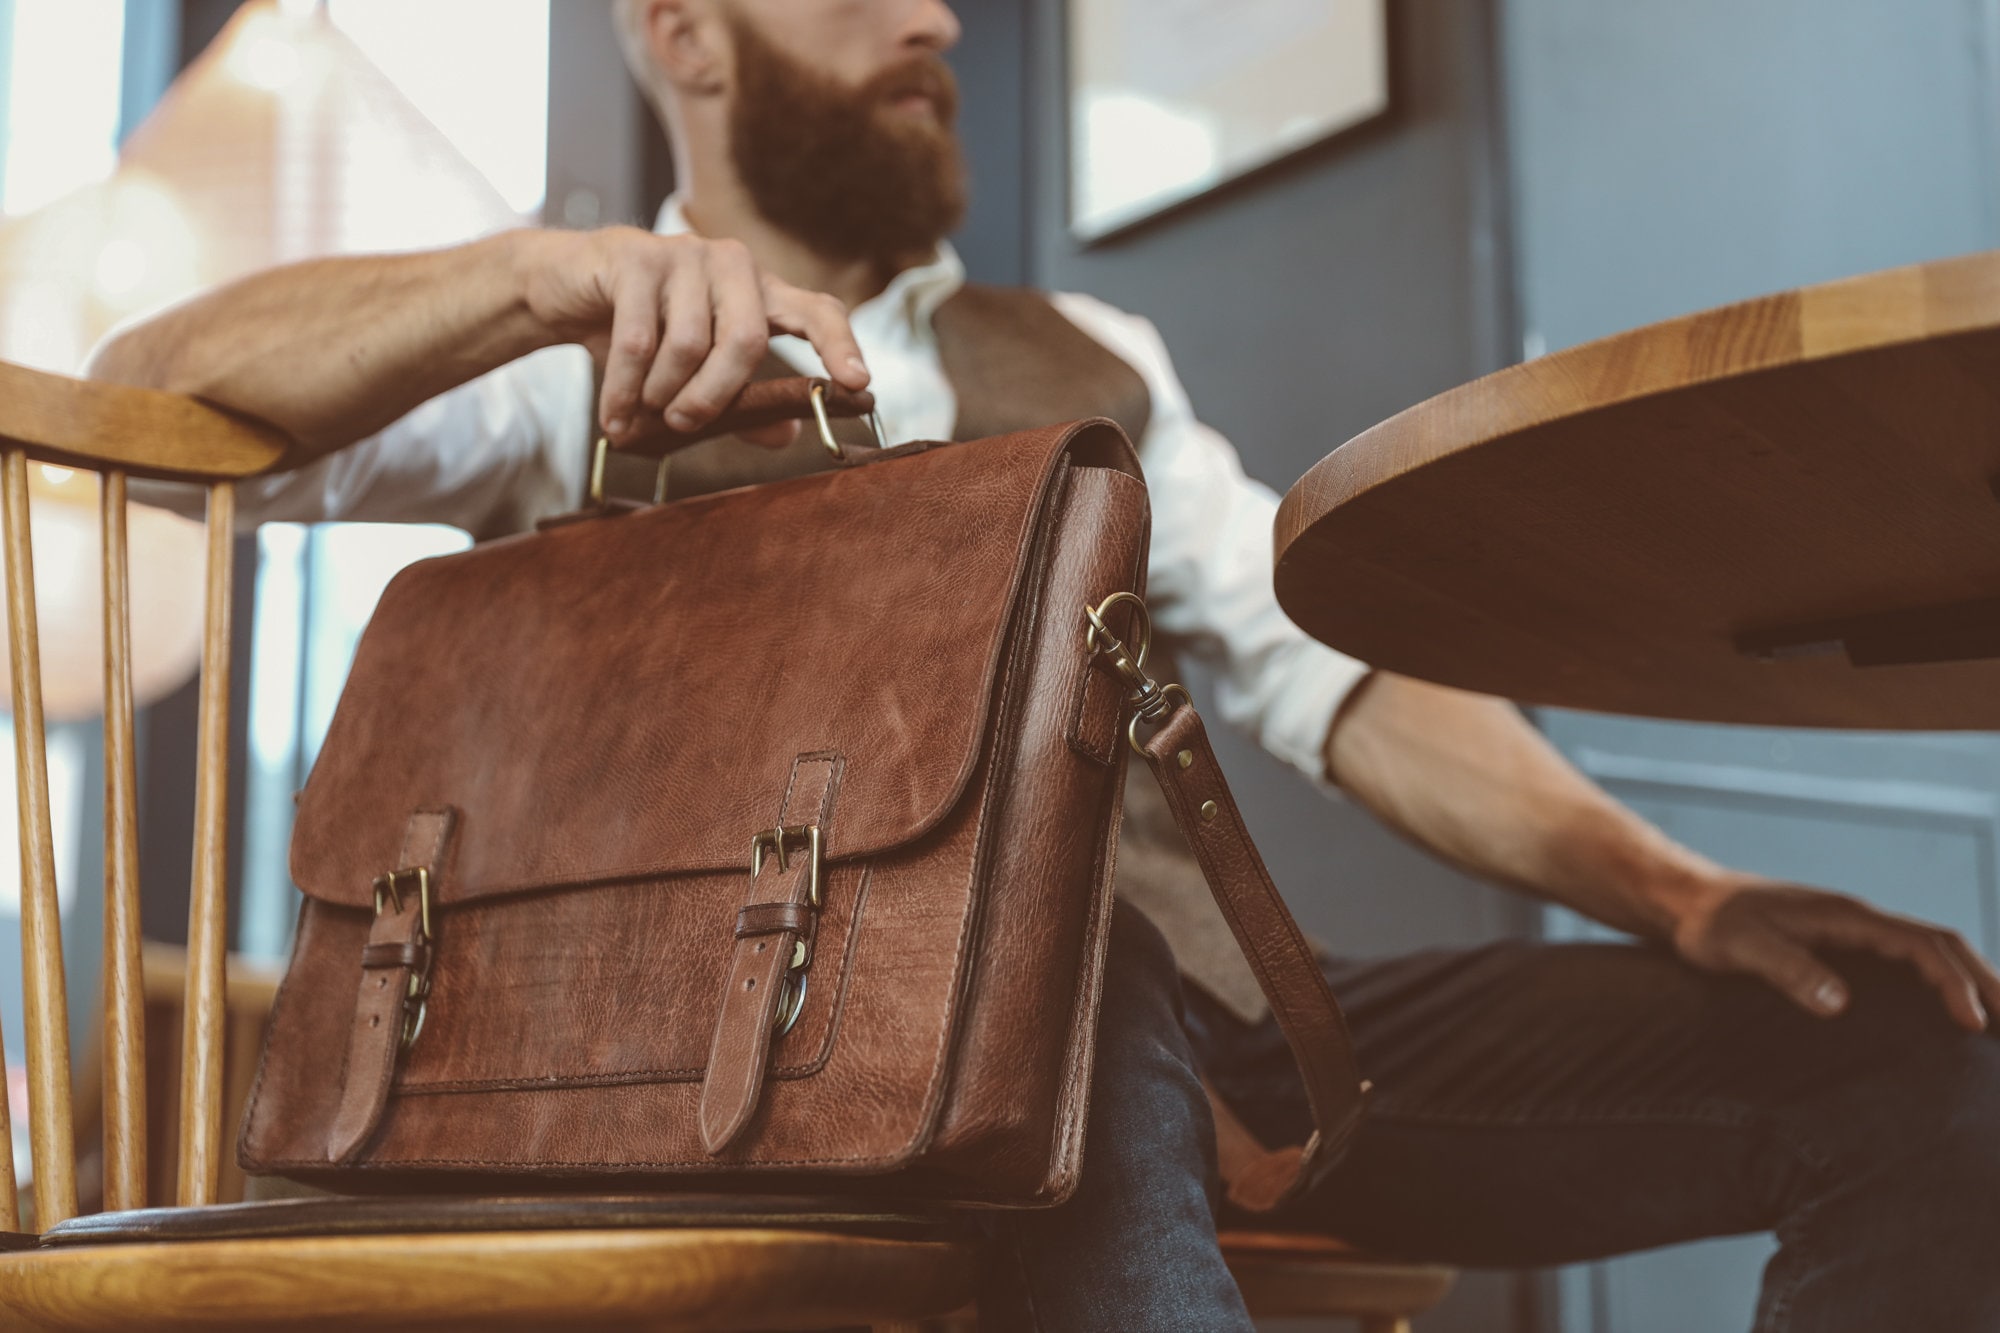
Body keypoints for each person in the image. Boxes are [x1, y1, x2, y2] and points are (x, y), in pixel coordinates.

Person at [94, 2, 2000, 1328]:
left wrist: (1686, 891)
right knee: (1061, 956)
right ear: (681, 32)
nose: (930, 20)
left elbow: (1330, 682)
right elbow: (139, 394)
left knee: (1907, 1048)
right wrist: (529, 277)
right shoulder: (551, 345)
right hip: (756, 1064)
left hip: (1203, 1033)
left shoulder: (1094, 354)